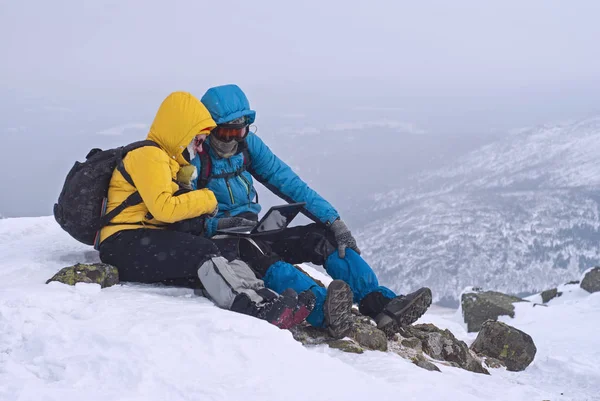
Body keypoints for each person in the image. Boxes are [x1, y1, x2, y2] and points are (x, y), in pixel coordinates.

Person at [189, 84, 432, 338]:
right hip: (222, 244)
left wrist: (333, 220)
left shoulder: (248, 146)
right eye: (227, 132)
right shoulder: (195, 156)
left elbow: (288, 182)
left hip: (252, 230)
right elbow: (182, 216)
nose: (234, 139)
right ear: (210, 128)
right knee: (263, 256)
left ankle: (379, 303)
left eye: (240, 131)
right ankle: (322, 311)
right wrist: (216, 226)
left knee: (322, 238)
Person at [97, 91, 314, 329]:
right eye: (198, 141)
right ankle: (250, 307)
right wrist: (207, 198)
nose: (200, 149)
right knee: (203, 251)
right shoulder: (149, 155)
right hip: (122, 242)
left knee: (221, 255)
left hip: (142, 241)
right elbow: (164, 210)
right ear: (182, 133)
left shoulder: (167, 162)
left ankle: (266, 299)